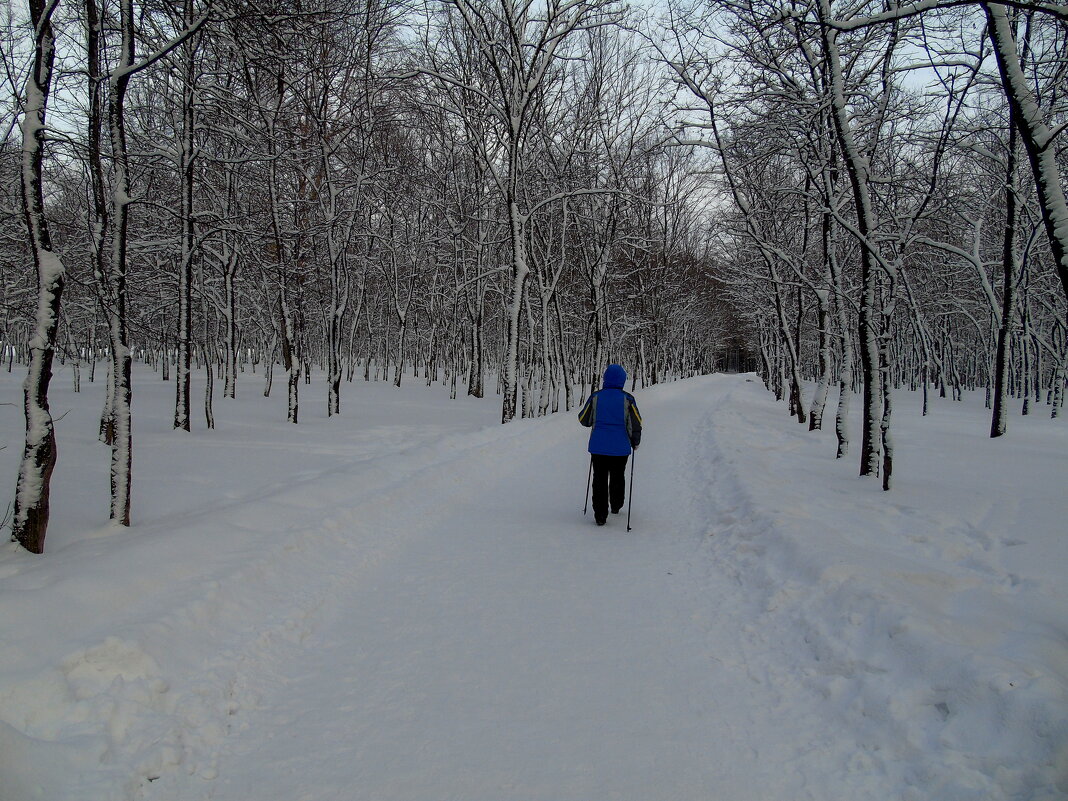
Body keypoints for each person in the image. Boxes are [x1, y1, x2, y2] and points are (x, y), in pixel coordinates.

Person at [578, 364, 642, 526]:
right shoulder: (628, 399)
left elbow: (583, 419)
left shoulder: (596, 397)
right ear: (622, 380)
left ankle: (600, 515)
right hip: (621, 447)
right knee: (618, 475)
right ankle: (616, 504)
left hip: (598, 446)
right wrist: (635, 440)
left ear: (605, 379)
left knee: (599, 478)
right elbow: (636, 422)